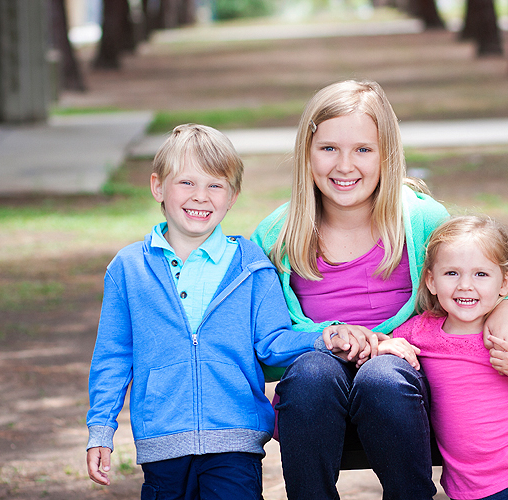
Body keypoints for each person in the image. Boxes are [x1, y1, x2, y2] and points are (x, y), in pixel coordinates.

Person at [251, 80, 508, 500]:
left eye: (363, 150)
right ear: (306, 153)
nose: (344, 165)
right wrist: (327, 338)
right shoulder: (278, 235)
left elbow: (473, 280)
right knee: (313, 372)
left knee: (382, 375)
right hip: (313, 400)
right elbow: (265, 346)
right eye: (328, 148)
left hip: (401, 393)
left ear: (386, 154)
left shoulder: (421, 221)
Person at [85, 124, 358, 500]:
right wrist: (101, 429)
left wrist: (321, 338)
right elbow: (112, 357)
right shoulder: (129, 269)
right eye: (186, 183)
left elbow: (271, 341)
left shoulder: (251, 265)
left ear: (232, 196)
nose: (201, 196)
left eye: (215, 185)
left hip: (235, 440)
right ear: (158, 187)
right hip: (162, 439)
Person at [388, 214, 508, 500]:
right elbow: (385, 346)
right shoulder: (420, 331)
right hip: (465, 490)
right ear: (432, 281)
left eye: (481, 274)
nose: (465, 286)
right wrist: (385, 346)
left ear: (505, 283)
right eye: (452, 273)